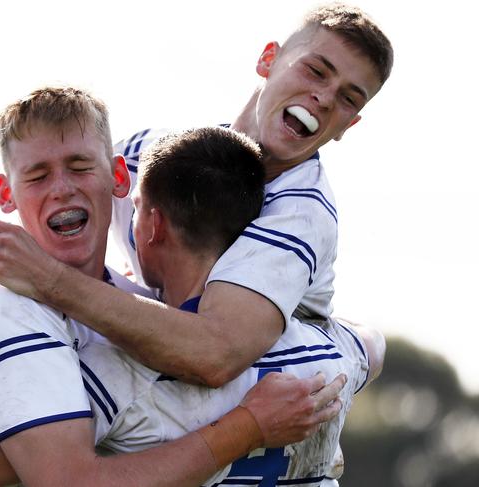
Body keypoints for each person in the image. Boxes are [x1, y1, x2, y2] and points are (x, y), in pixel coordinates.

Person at [0, 3, 391, 402]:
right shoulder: (159, 152)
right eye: (316, 70)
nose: (324, 96)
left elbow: (214, 354)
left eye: (348, 97)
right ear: (268, 60)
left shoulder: (302, 212)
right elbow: (35, 234)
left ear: (351, 124)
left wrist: (52, 282)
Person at [0, 88, 343, 487]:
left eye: (80, 167)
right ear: (6, 196)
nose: (61, 187)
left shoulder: (137, 315)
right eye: (37, 175)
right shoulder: (6, 304)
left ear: (119, 178)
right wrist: (249, 428)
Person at [80, 128, 386, 485]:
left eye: (136, 211)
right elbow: (372, 347)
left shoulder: (115, 369)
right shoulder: (327, 351)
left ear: (155, 226)